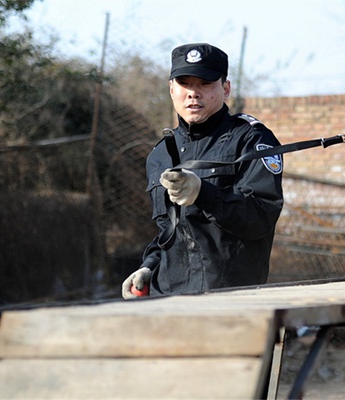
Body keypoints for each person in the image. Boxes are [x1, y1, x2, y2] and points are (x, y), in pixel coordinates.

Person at [122, 43, 284, 299]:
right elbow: (170, 229)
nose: (193, 93)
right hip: (167, 296)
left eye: (205, 83)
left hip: (232, 298)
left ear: (226, 89)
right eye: (185, 83)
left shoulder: (251, 139)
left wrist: (203, 192)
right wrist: (148, 266)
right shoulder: (161, 152)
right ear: (171, 89)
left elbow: (260, 218)